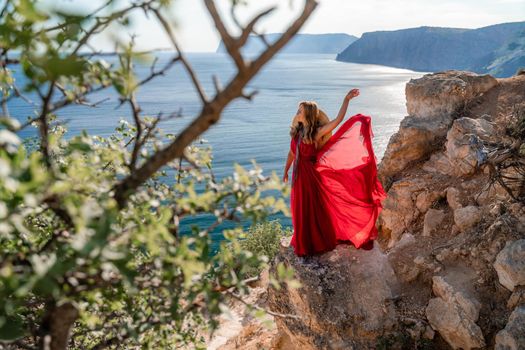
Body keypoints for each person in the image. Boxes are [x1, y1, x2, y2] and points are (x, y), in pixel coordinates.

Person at [283, 89, 387, 256]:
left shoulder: (316, 133)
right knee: (300, 208)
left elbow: (338, 120)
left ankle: (315, 243)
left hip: (311, 178)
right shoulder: (297, 132)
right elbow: (292, 154)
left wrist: (346, 100)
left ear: (308, 114)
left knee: (313, 209)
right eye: (298, 110)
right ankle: (303, 240)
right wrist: (286, 171)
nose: (297, 112)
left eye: (300, 110)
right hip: (298, 177)